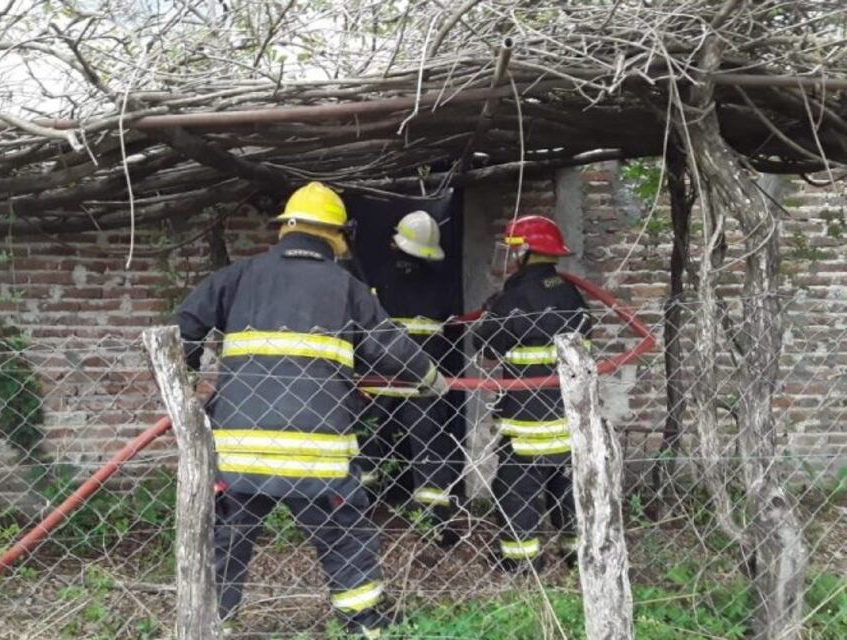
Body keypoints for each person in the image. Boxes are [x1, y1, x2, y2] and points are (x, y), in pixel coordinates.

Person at [176, 182, 448, 638]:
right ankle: (363, 625)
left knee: (226, 543)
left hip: (241, 453)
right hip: (319, 458)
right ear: (338, 236)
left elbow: (182, 328)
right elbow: (390, 348)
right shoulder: (348, 288)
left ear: (287, 228)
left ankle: (209, 622)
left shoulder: (238, 277)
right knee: (345, 541)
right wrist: (431, 379)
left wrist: (184, 389)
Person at [472, 215, 593, 573]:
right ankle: (578, 554)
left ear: (524, 251)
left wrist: (493, 313)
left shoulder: (514, 298)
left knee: (516, 492)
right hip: (569, 421)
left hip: (528, 425)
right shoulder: (570, 292)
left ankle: (523, 562)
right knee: (566, 493)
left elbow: (485, 345)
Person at [356, 210, 461, 546]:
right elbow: (453, 325)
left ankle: (357, 521)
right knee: (430, 451)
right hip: (423, 381)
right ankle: (435, 527)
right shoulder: (443, 282)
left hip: (380, 379)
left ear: (395, 243)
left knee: (368, 449)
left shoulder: (375, 278)